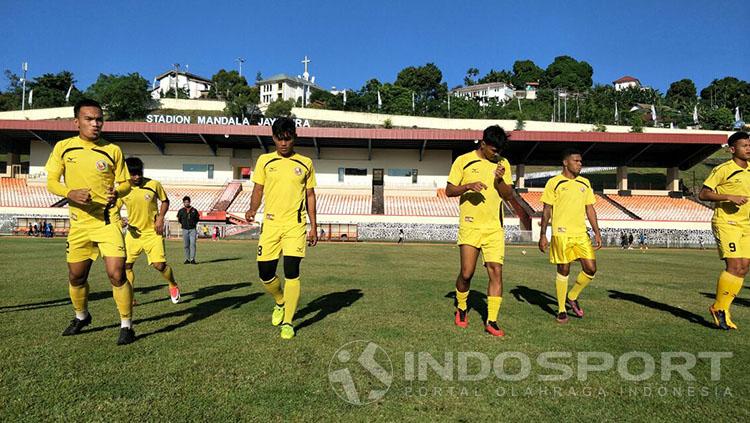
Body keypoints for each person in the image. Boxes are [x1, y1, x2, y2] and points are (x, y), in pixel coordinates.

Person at [44, 99, 135, 345]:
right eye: (89, 119)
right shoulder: (64, 148)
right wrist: (69, 192)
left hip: (108, 222)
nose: (95, 124)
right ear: (77, 122)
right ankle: (82, 316)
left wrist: (119, 192)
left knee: (116, 274)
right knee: (76, 277)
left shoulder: (112, 150)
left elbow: (126, 183)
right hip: (79, 224)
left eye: (99, 119)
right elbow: (51, 181)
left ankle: (126, 324)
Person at [245, 117, 318, 340]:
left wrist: (313, 226)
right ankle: (280, 301)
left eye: (288, 139)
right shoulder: (265, 161)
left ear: (294, 137)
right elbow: (258, 189)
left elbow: (310, 195)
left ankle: (288, 321)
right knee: (265, 273)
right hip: (271, 224)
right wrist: (252, 208)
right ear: (274, 138)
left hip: (295, 225)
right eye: (279, 139)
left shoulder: (305, 163)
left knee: (292, 271)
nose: (284, 143)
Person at [446, 125, 514, 337]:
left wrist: (499, 180)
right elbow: (449, 190)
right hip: (470, 225)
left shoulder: (503, 164)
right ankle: (462, 307)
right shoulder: (463, 160)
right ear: (483, 144)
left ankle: (491, 321)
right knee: (467, 274)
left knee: (496, 271)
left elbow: (508, 195)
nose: (497, 154)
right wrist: (467, 186)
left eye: (500, 151)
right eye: (494, 150)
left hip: (494, 228)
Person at [538, 149, 602, 324]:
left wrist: (596, 231)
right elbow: (546, 210)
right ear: (566, 163)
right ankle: (561, 309)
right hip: (562, 234)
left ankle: (572, 296)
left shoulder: (585, 183)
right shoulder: (554, 183)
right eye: (576, 161)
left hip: (581, 234)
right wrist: (543, 234)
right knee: (563, 270)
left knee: (591, 269)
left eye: (581, 161)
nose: (580, 164)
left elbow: (590, 208)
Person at [699, 131, 750, 330]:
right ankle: (719, 308)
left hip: (747, 224)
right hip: (727, 223)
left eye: (749, 144)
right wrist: (729, 196)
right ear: (732, 149)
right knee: (735, 265)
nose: (748, 148)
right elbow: (703, 193)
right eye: (744, 145)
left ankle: (722, 308)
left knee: (744, 267)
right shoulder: (723, 169)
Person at [118, 157, 181, 305]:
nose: (137, 177)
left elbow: (165, 201)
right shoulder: (122, 189)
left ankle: (172, 284)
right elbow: (114, 208)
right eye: (133, 174)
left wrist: (160, 218)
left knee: (159, 265)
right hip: (133, 234)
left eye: (139, 173)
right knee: (126, 266)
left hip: (152, 233)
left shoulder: (153, 184)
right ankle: (130, 296)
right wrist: (119, 219)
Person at [177, 196, 199, 264]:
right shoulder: (181, 211)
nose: (186, 203)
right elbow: (179, 219)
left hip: (192, 230)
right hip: (185, 229)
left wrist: (193, 224)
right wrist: (184, 225)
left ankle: (192, 259)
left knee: (192, 244)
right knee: (186, 245)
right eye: (185, 202)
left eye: (187, 202)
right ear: (183, 203)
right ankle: (187, 259)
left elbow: (197, 219)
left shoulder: (194, 210)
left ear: (190, 202)